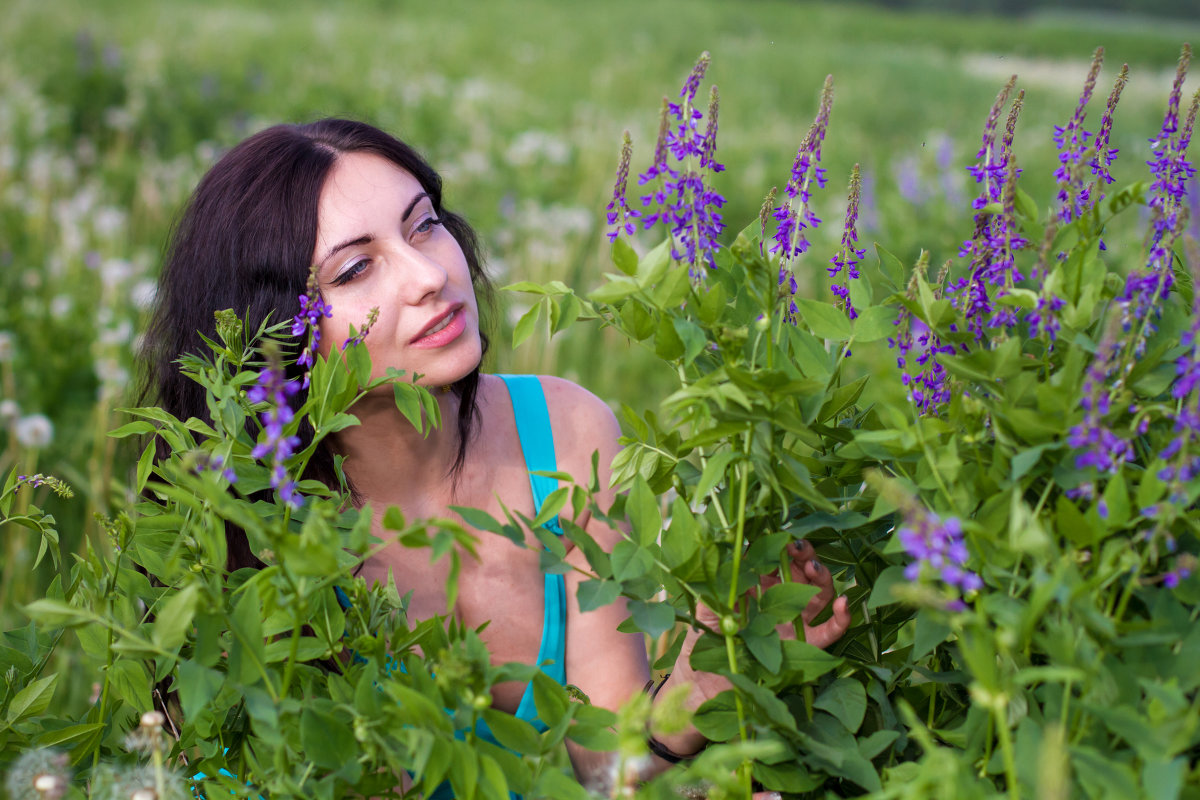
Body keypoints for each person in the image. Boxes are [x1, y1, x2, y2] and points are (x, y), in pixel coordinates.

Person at [144, 118, 851, 791]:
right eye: (356, 268)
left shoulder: (567, 432)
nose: (427, 275)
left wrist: (701, 688)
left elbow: (606, 776)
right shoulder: (253, 533)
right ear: (279, 333)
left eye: (425, 224)